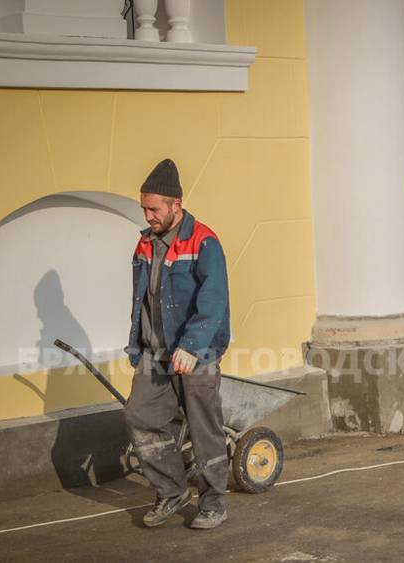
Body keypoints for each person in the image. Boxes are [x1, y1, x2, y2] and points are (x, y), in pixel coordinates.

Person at [123, 158, 232, 530]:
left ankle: (214, 503)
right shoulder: (144, 244)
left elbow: (214, 300)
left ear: (175, 205)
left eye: (154, 208)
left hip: (194, 354)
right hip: (156, 354)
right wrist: (138, 344)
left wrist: (193, 344)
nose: (149, 215)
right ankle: (171, 491)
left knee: (204, 430)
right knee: (140, 416)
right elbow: (143, 299)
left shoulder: (203, 241)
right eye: (144, 208)